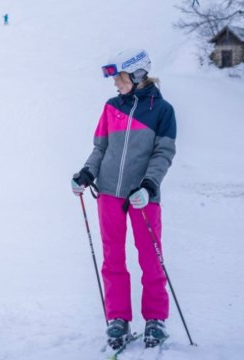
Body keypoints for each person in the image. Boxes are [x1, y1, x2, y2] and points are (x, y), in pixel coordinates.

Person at [71, 48, 176, 351]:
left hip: (142, 196)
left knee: (150, 257)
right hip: (109, 194)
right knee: (113, 258)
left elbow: (163, 153)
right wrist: (87, 174)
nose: (115, 83)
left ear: (138, 74)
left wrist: (149, 185)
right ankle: (118, 317)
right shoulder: (110, 107)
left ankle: (155, 318)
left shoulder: (162, 111)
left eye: (118, 76)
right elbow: (100, 148)